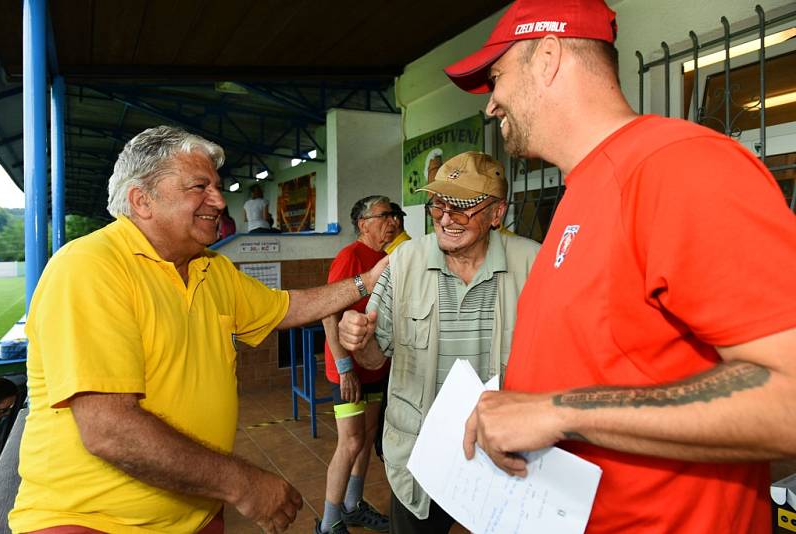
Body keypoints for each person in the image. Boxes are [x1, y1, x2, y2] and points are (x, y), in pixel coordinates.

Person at [443, 1, 796, 533]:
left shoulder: (678, 167)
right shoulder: (583, 189)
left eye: (496, 79)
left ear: (547, 56)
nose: (492, 105)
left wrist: (559, 410)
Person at [9, 125, 388, 534]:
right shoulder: (90, 267)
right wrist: (242, 484)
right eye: (200, 187)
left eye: (218, 187)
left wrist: (366, 281)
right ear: (142, 200)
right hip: (92, 522)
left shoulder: (212, 268)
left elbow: (286, 307)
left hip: (195, 514)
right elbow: (109, 429)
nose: (220, 201)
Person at [337, 151, 541, 533]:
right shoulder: (404, 262)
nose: (446, 218)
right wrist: (359, 340)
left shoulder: (532, 265)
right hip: (420, 455)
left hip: (499, 451)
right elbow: (374, 358)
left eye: (462, 208)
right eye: (439, 205)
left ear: (497, 213)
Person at [317, 195, 397, 534]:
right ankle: (329, 522)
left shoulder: (385, 259)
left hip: (375, 366)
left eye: (396, 215)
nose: (393, 221)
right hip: (347, 369)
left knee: (365, 439)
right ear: (363, 223)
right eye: (385, 215)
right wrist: (344, 367)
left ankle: (352, 505)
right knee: (349, 442)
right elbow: (328, 311)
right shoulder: (350, 257)